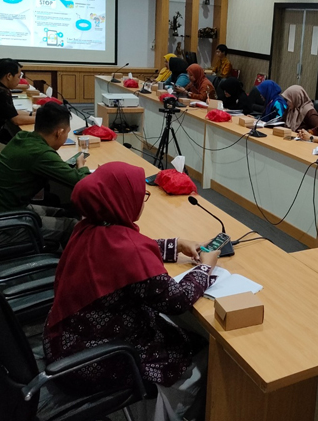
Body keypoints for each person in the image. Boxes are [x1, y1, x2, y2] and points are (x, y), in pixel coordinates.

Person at [43, 162, 216, 420]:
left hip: (63, 343)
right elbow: (177, 300)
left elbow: (131, 249)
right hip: (94, 361)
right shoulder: (129, 251)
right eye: (141, 195)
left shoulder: (89, 226)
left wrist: (176, 244)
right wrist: (206, 269)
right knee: (194, 342)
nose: (143, 201)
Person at [0, 102, 88, 248]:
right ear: (59, 132)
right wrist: (81, 166)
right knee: (75, 226)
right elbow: (82, 182)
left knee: (64, 211)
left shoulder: (23, 137)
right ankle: (69, 267)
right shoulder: (41, 154)